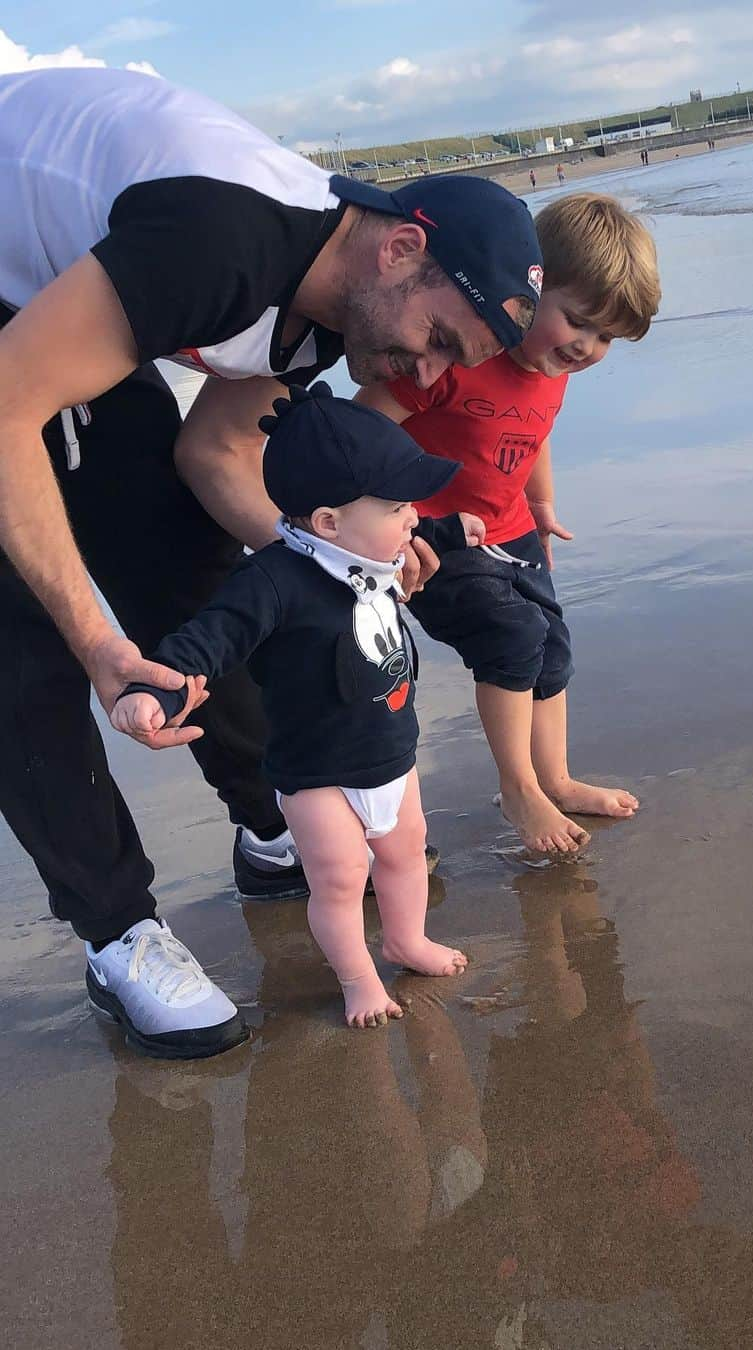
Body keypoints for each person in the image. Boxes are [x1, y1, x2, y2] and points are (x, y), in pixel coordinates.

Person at [0, 67, 542, 1057]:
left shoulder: (338, 308)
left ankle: (270, 824)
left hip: (63, 276)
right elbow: (6, 409)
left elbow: (212, 458)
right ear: (403, 247)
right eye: (433, 340)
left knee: (186, 566)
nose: (423, 377)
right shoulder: (222, 246)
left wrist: (342, 563)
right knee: (26, 638)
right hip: (14, 297)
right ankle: (118, 932)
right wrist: (97, 640)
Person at [111, 384, 476, 1034]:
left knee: (406, 853)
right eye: (397, 505)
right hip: (317, 772)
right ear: (329, 521)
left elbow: (418, 535)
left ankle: (406, 940)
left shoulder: (375, 552)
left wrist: (451, 531)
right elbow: (210, 636)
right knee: (340, 878)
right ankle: (358, 976)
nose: (412, 517)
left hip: (392, 751)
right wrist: (155, 688)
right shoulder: (274, 582)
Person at [359, 194, 660, 854]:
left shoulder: (554, 369)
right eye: (576, 320)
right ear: (529, 286)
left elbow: (533, 436)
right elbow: (365, 427)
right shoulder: (460, 352)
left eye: (606, 337)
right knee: (512, 638)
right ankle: (518, 788)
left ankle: (554, 778)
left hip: (515, 526)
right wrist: (388, 527)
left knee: (551, 646)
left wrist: (543, 505)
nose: (585, 347)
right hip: (439, 537)